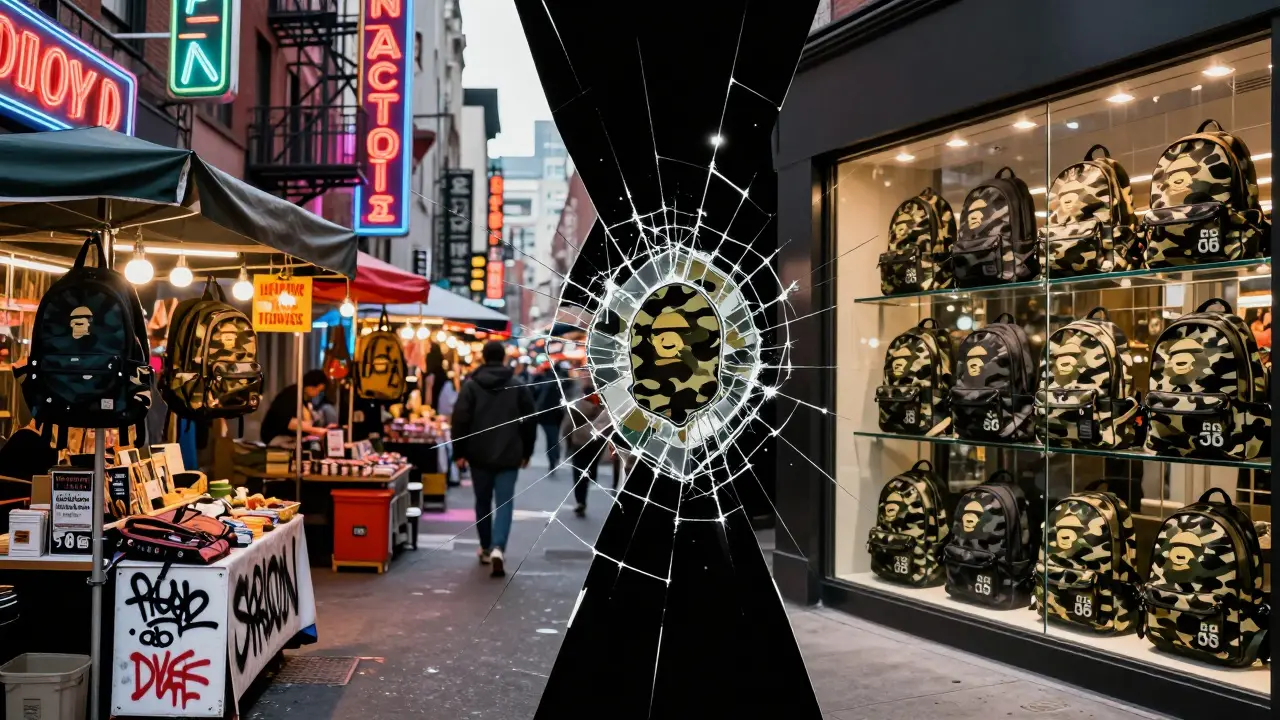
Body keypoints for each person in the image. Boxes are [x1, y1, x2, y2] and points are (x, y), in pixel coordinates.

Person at [451, 341, 536, 577]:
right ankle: (499, 546)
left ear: (483, 358)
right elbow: (530, 420)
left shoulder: (471, 387)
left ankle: (486, 547)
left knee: (482, 501)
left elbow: (460, 420)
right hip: (509, 454)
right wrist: (526, 451)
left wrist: (458, 452)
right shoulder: (518, 386)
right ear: (504, 358)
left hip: (478, 454)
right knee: (504, 502)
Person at [559, 380, 610, 516]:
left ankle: (580, 500)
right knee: (593, 465)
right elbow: (609, 425)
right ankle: (591, 477)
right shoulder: (603, 407)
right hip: (596, 442)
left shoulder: (577, 406)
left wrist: (566, 438)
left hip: (578, 442)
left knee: (578, 471)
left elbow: (568, 425)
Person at [260, 369, 330, 446]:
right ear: (311, 385)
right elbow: (288, 422)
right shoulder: (292, 394)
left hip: (287, 437)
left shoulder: (304, 398)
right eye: (318, 390)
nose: (317, 393)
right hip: (276, 438)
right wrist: (315, 430)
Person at [532, 362, 567, 473]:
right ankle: (554, 458)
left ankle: (553, 459)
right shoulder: (559, 383)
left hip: (546, 416)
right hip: (554, 416)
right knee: (553, 439)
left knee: (551, 439)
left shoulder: (546, 382)